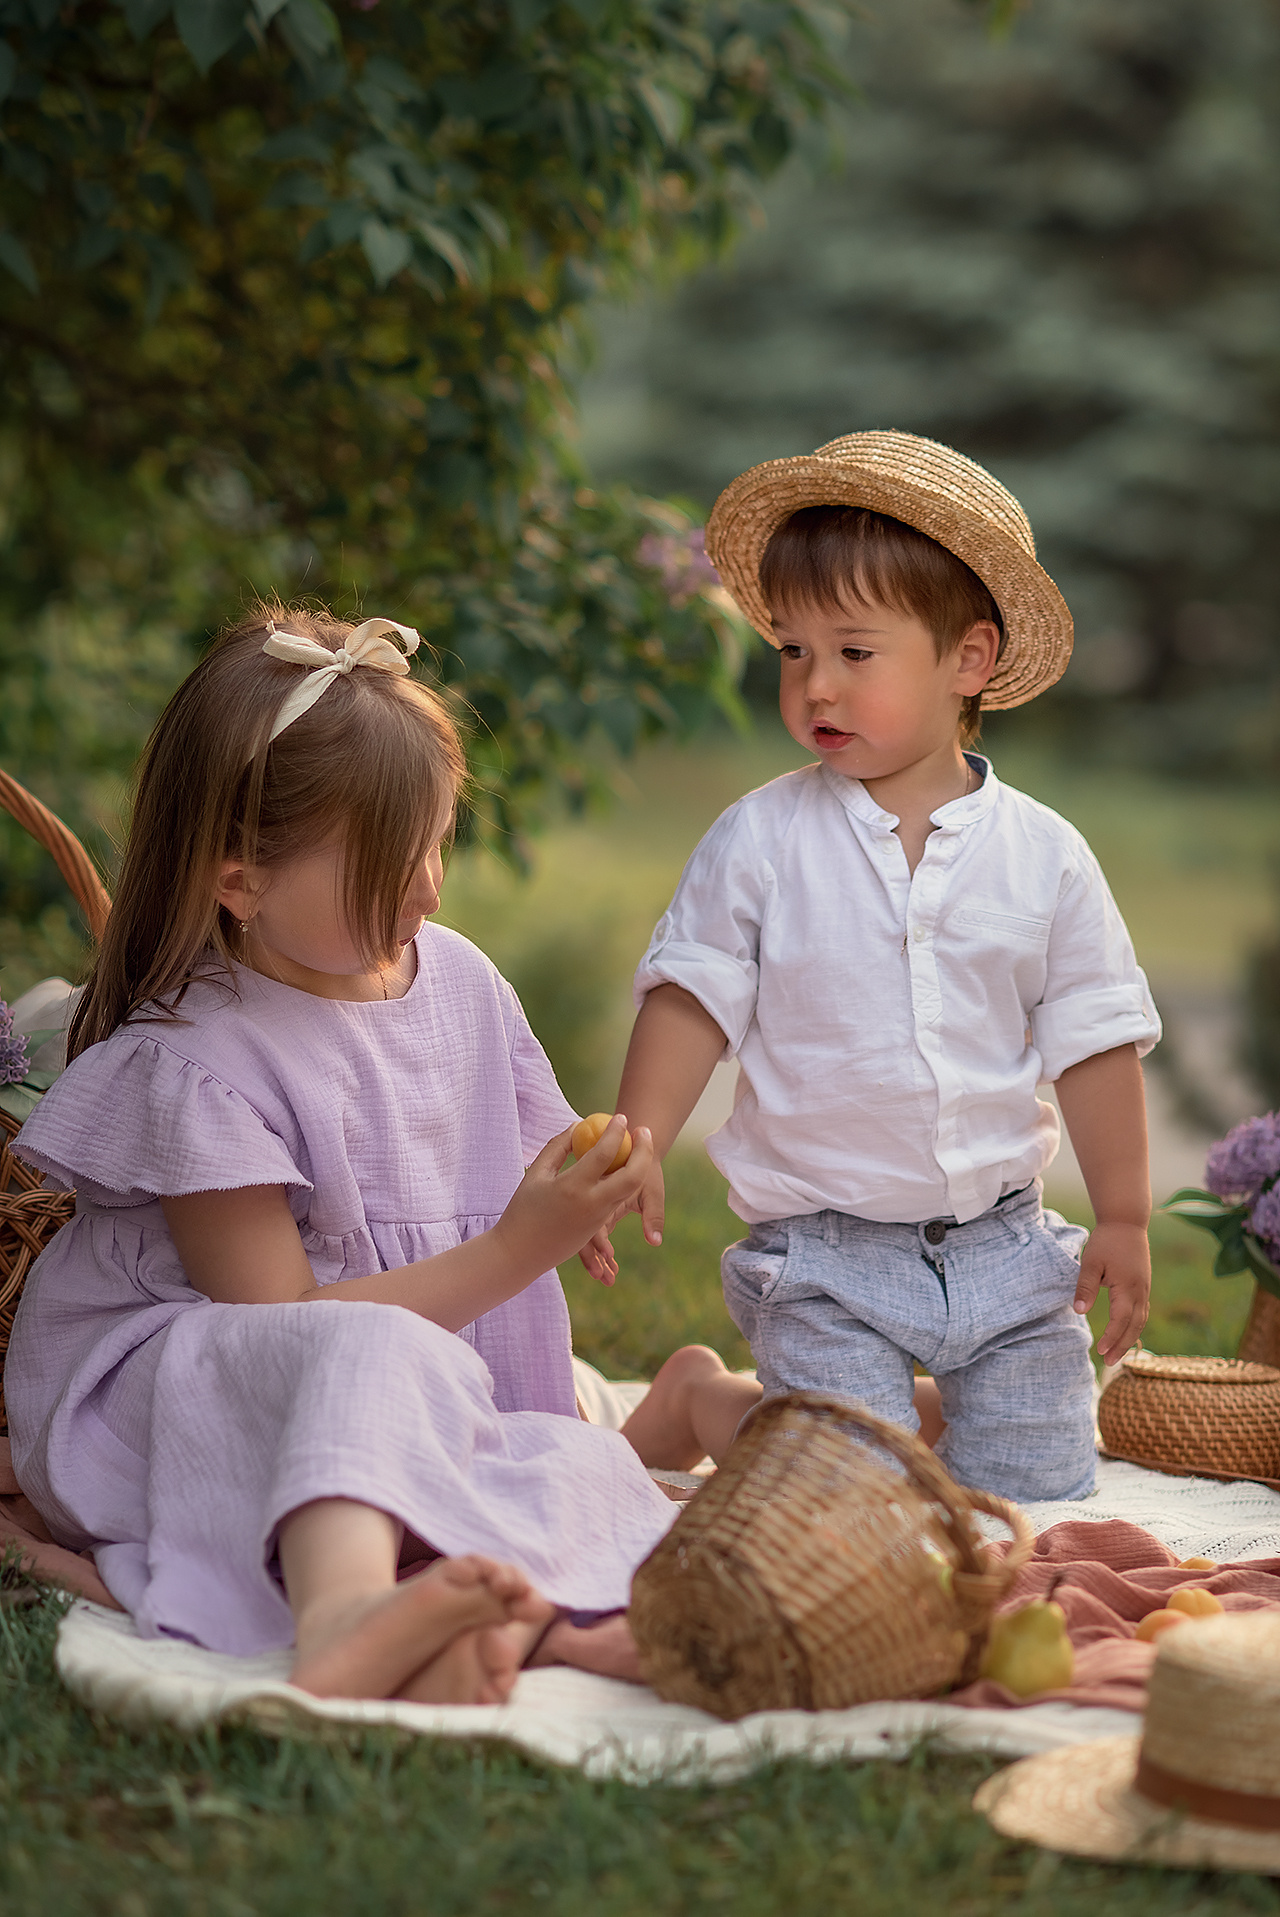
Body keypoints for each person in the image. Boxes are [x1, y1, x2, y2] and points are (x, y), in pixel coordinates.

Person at [8, 603, 680, 1706]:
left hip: (400, 1373)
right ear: (241, 882)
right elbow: (284, 1328)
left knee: (558, 1454)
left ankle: (535, 1629)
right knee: (374, 1356)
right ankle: (342, 1622)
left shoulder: (456, 978)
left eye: (434, 844)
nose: (425, 887)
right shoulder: (200, 1057)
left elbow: (516, 1150)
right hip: (184, 1406)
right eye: (385, 861)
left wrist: (583, 1182)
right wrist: (518, 1249)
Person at [615, 431, 1162, 1503]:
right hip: (823, 1254)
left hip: (1004, 1250)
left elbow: (1093, 1041)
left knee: (1033, 1489)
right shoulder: (760, 839)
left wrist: (1124, 1215)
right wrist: (638, 1136)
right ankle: (704, 1401)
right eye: (789, 650)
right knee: (845, 1499)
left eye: (852, 653)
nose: (814, 684)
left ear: (965, 660)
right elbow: (691, 995)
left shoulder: (1042, 855)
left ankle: (886, 1421)